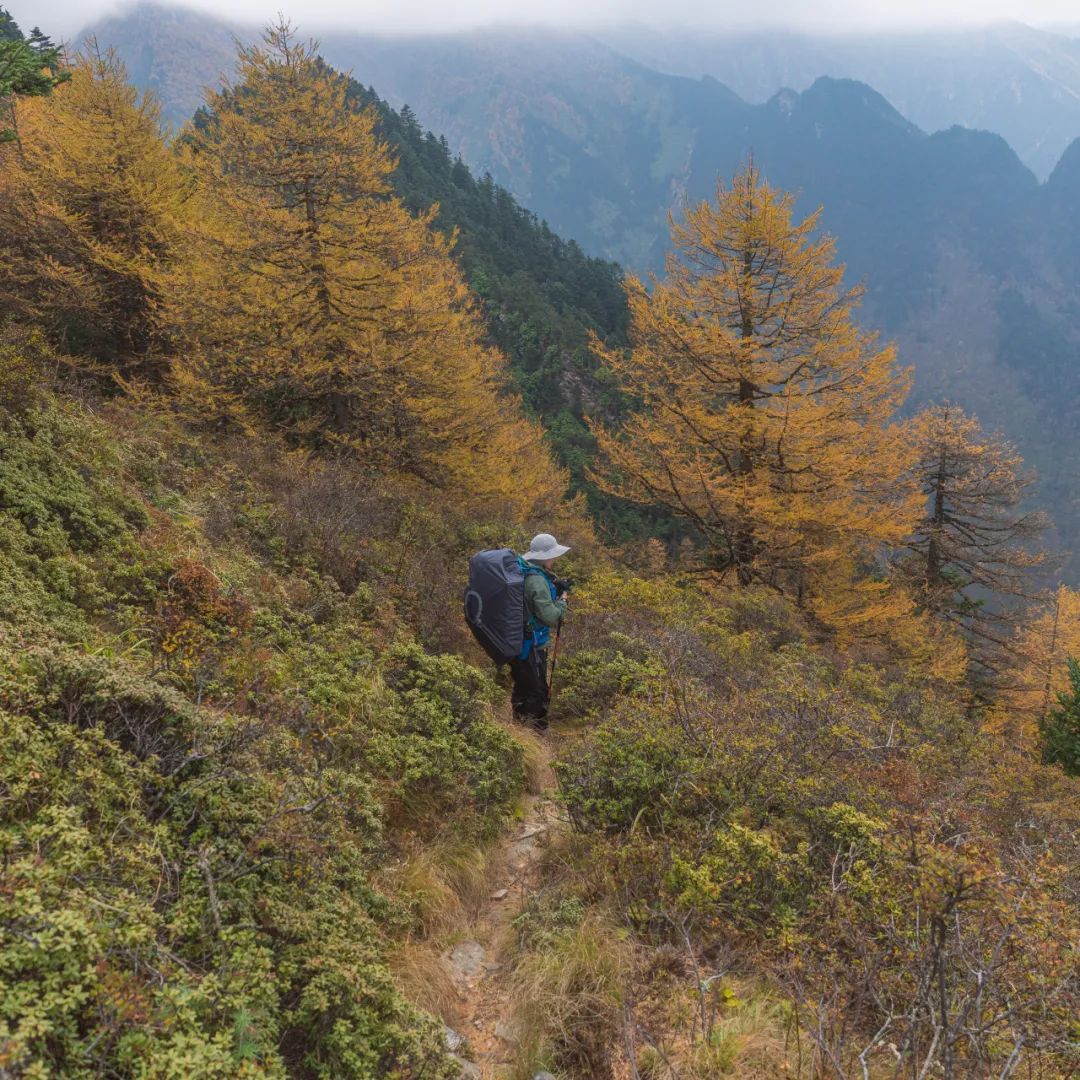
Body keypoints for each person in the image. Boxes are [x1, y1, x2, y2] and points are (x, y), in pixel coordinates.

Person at [510, 532, 570, 729]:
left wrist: (554, 588)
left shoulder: (526, 571)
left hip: (520, 640)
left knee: (524, 684)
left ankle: (518, 727)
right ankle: (532, 734)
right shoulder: (536, 580)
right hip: (532, 644)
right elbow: (551, 616)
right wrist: (563, 601)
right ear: (545, 556)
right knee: (536, 691)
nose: (555, 558)